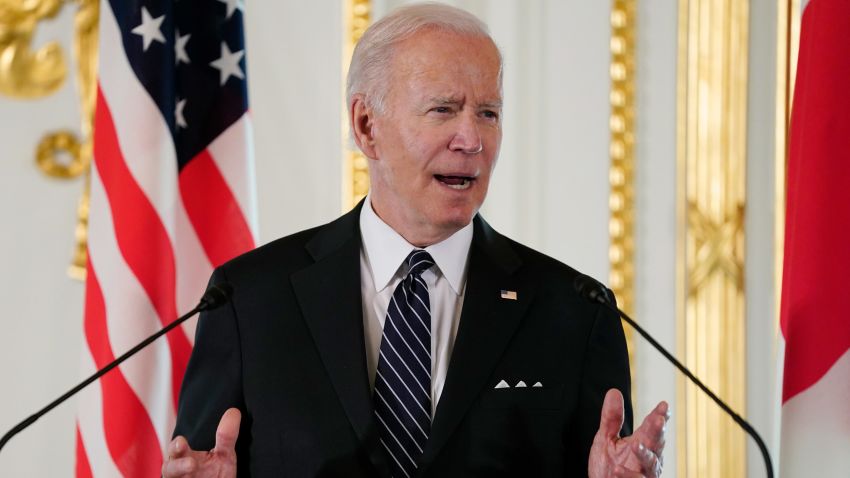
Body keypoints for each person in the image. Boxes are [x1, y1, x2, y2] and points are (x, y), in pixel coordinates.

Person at [163, 3, 668, 477]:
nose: (472, 139)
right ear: (367, 126)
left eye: (488, 113)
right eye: (444, 110)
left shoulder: (575, 310)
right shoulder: (249, 299)